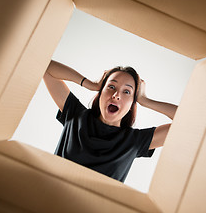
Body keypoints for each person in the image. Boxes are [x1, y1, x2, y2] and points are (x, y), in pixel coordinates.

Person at [43, 60, 177, 182]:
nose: (116, 95)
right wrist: (90, 84)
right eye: (111, 87)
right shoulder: (76, 115)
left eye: (127, 92)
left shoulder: (135, 141)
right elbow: (45, 66)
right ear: (101, 91)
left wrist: (145, 101)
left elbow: (188, 123)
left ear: (132, 104)